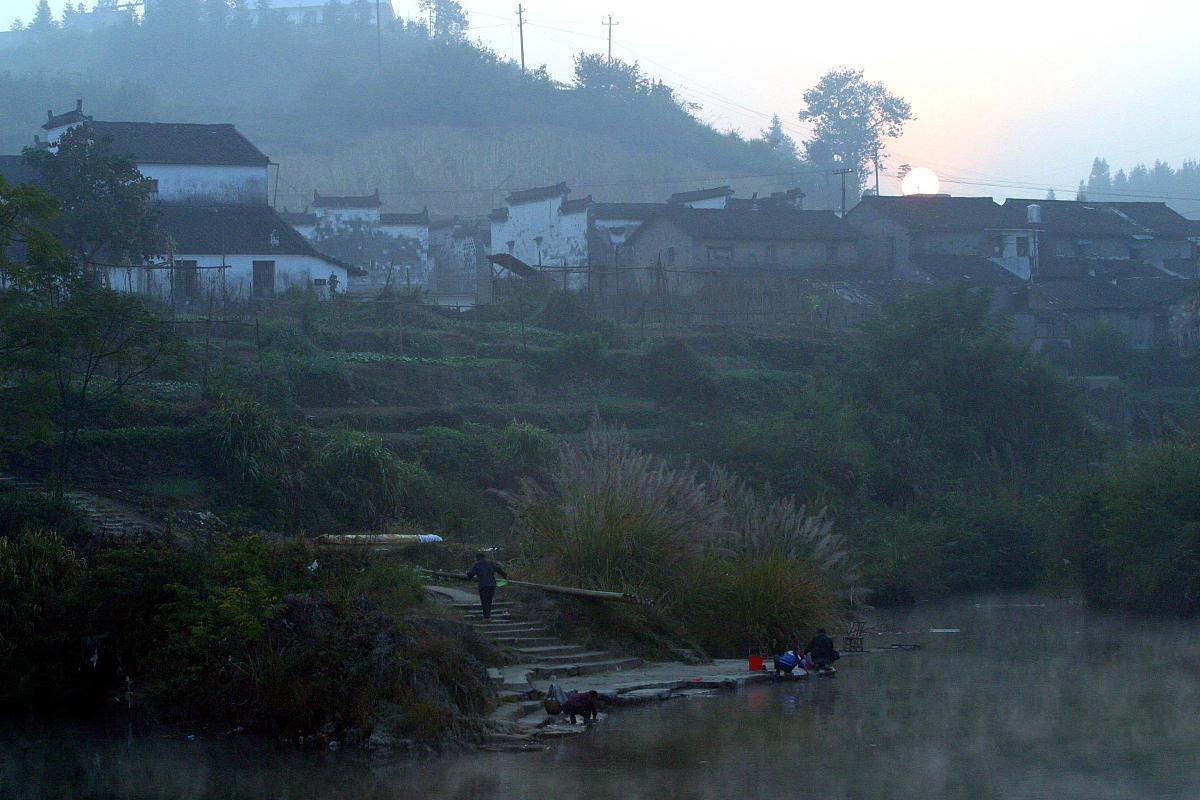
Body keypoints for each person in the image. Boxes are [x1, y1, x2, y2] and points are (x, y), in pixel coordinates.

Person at [466, 551, 508, 621]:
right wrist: (505, 576)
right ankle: (488, 615)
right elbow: (499, 569)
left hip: (483, 585)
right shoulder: (490, 563)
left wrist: (468, 576)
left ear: (477, 558)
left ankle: (487, 617)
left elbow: (471, 574)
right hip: (492, 584)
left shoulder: (477, 564)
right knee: (489, 600)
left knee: (484, 600)